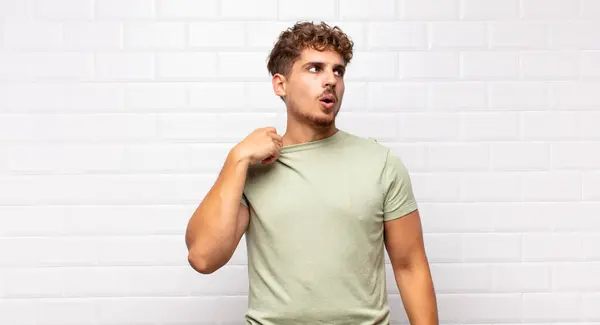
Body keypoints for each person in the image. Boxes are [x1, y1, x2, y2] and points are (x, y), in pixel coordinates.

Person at [185, 21, 439, 325]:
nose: (330, 80)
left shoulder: (380, 163)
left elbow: (410, 266)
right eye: (315, 69)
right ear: (280, 84)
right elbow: (203, 257)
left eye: (338, 71)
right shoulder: (253, 168)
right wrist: (236, 159)